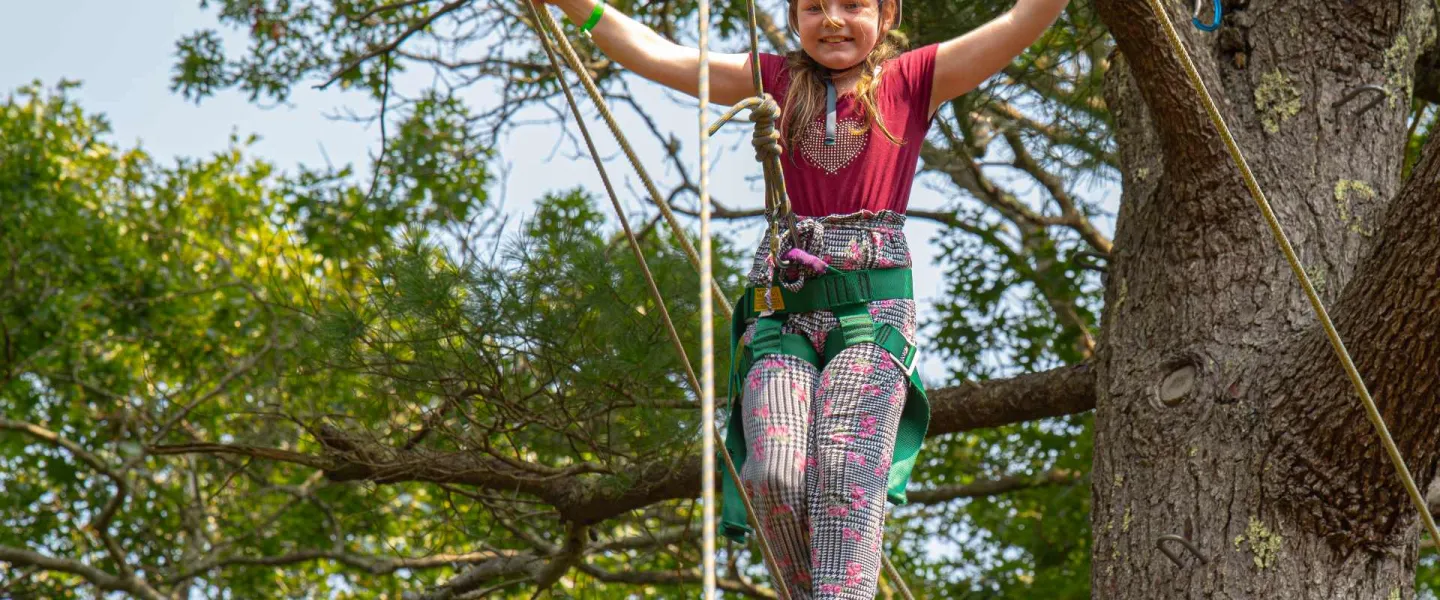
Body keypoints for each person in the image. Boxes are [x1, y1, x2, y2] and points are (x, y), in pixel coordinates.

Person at [532, 0, 1070, 596]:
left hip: (871, 308)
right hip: (783, 307)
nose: (833, 20)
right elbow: (660, 54)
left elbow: (1019, 23)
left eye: (852, 6)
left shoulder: (913, 79)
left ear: (886, 14)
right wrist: (574, 7)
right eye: (814, 8)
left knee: (842, 473)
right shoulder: (774, 81)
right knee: (774, 477)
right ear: (794, 18)